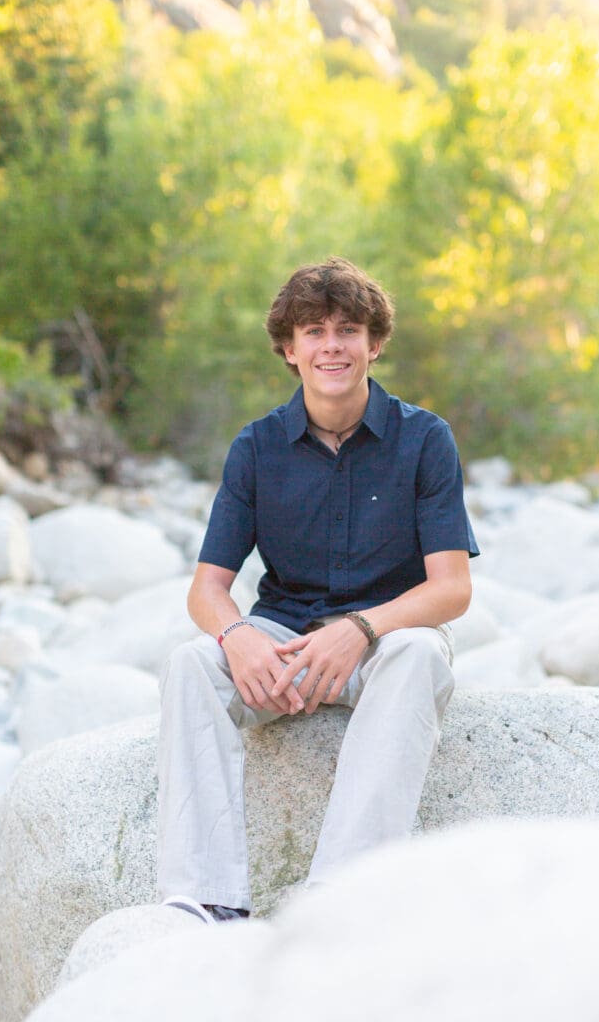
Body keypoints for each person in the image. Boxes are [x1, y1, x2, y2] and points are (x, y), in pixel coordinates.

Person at [157, 257, 479, 924]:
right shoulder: (256, 448)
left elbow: (451, 590)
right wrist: (237, 636)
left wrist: (360, 629)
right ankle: (209, 900)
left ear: (374, 342)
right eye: (313, 331)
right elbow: (207, 589)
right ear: (289, 348)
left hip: (385, 641)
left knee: (421, 653)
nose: (332, 346)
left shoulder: (425, 439)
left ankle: (340, 897)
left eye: (347, 330)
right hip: (283, 646)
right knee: (190, 664)